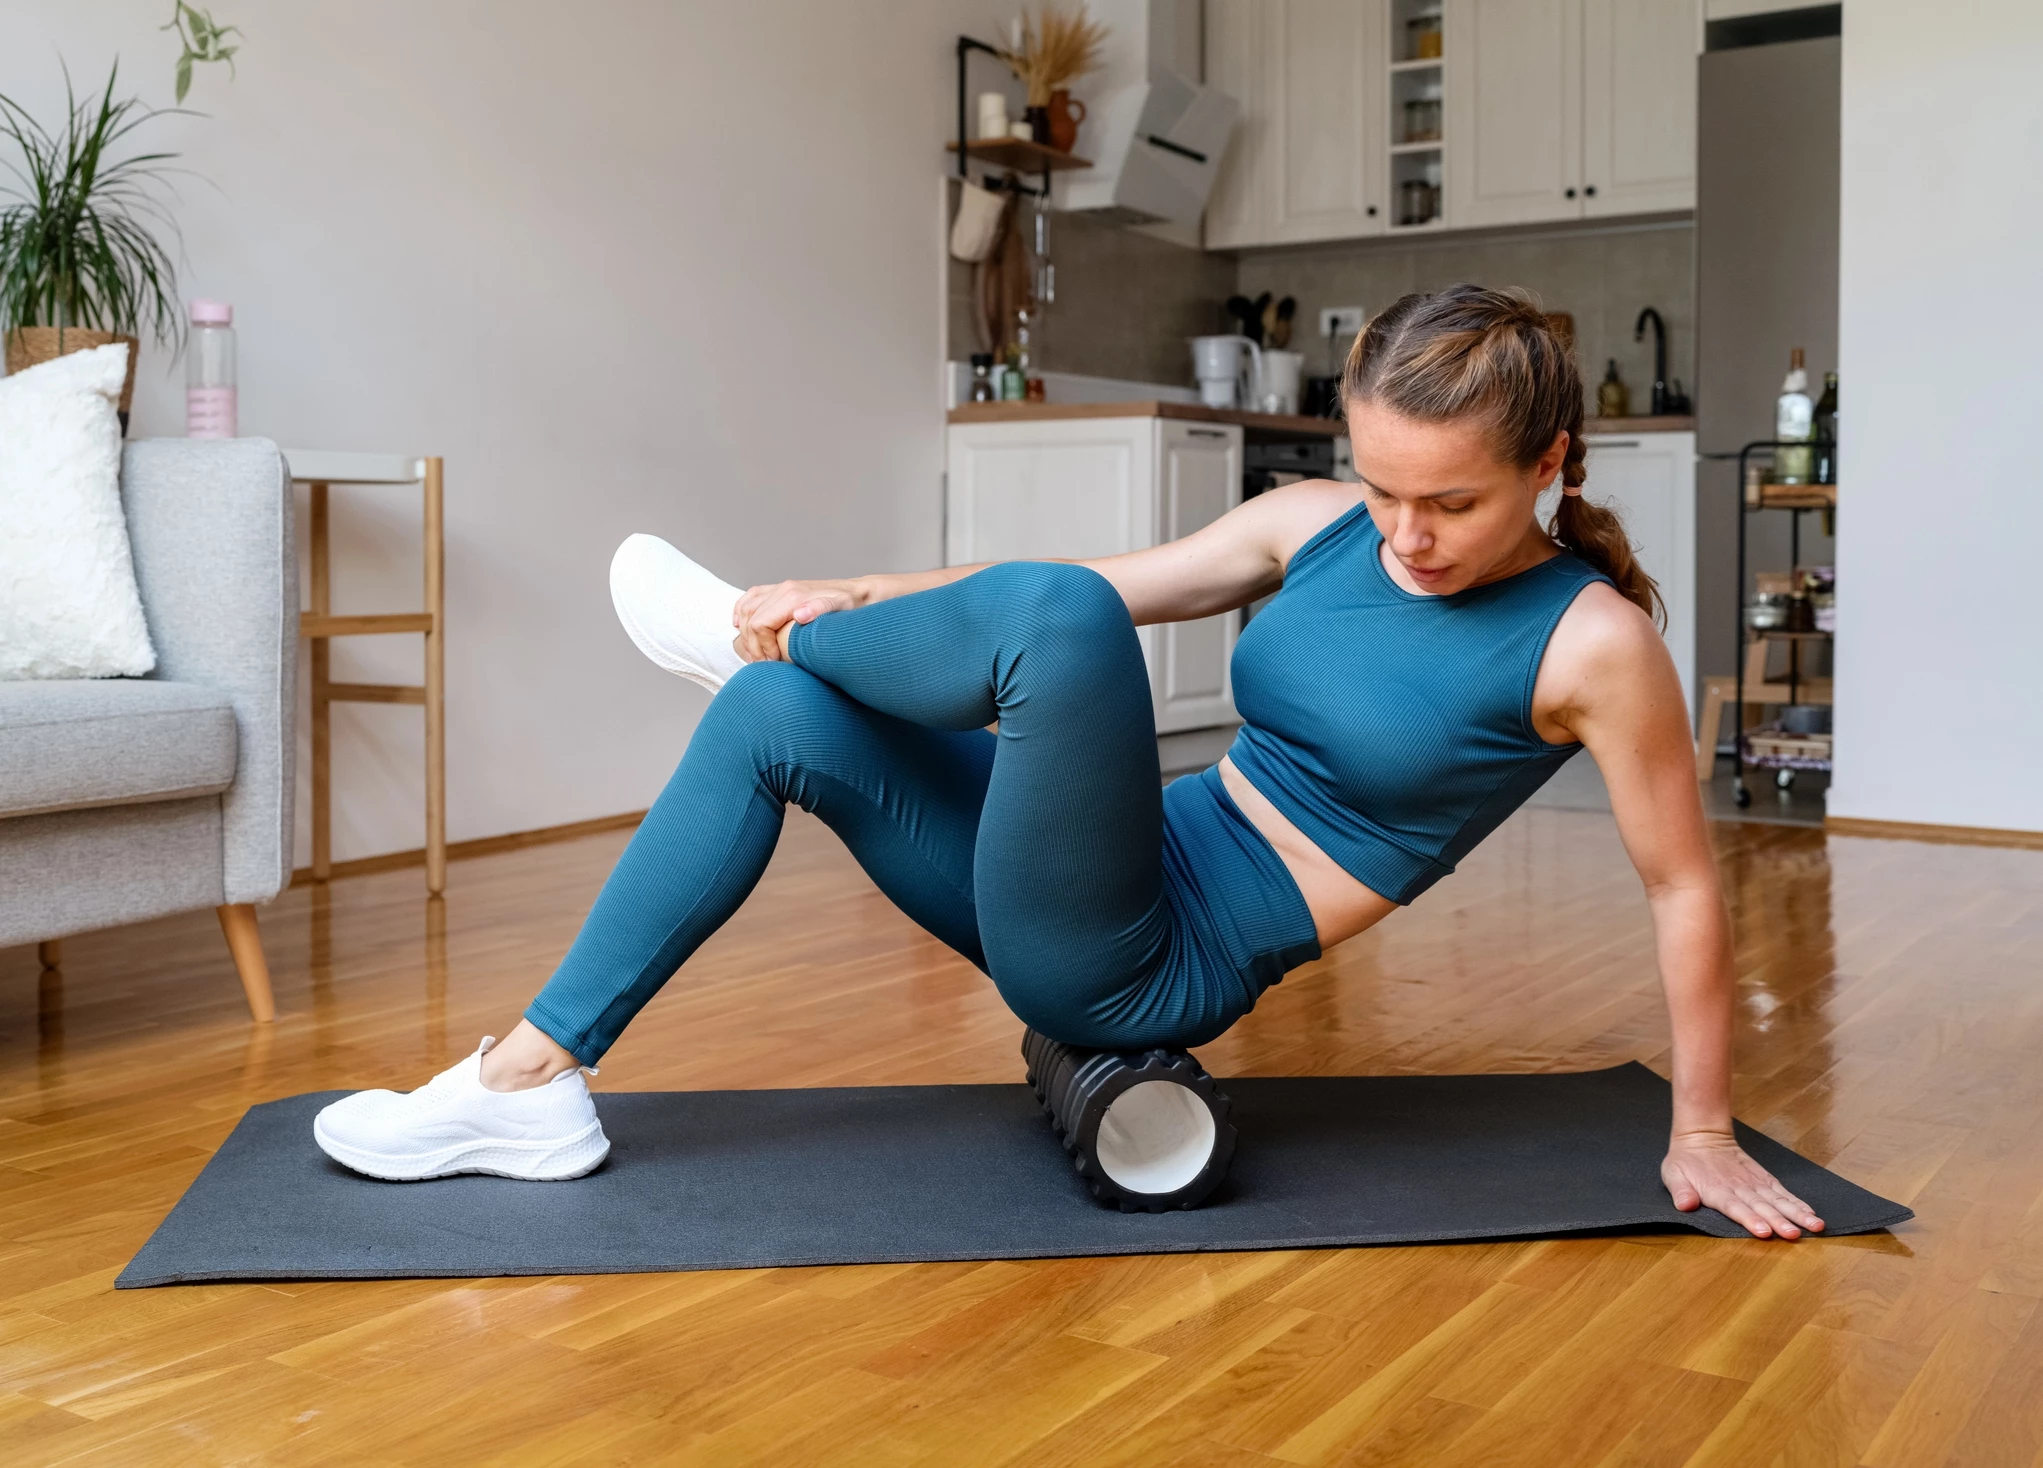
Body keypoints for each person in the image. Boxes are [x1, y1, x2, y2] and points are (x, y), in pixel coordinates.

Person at [314, 285, 1823, 1241]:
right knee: (776, 713)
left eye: (1453, 504)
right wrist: (847, 590)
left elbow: (1683, 889)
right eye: (1380, 489)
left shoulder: (1591, 644)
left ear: (1549, 467)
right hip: (1088, 865)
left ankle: (755, 641)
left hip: (1151, 959)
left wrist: (1700, 1128)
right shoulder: (1316, 528)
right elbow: (1093, 579)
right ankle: (527, 1083)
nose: (1406, 537)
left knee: (1055, 622)